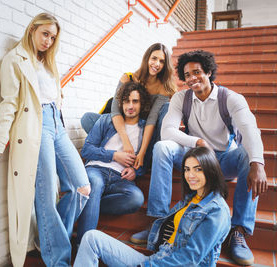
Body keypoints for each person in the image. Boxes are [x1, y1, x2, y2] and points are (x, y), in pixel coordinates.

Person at [131, 50, 268, 266]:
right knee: (163, 147)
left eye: (197, 72)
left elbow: (250, 131)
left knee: (246, 156)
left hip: (223, 159)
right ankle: (158, 220)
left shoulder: (231, 98)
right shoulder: (181, 98)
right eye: (187, 74)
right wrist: (197, 142)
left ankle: (238, 231)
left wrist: (258, 163)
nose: (192, 78)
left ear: (209, 72)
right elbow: (167, 131)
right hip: (195, 157)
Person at [0, 13, 90, 267]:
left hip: (57, 125)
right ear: (32, 29)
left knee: (82, 186)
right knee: (44, 198)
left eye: (53, 37)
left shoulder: (48, 61)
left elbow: (55, 97)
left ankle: (51, 239)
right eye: (45, 34)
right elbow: (8, 103)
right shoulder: (15, 60)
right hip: (36, 127)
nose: (48, 41)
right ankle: (58, 260)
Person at [74, 146, 231, 267]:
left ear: (210, 170)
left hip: (159, 264)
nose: (190, 175)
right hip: (156, 261)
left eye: (198, 169)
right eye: (187, 169)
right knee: (91, 238)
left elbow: (190, 258)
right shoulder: (191, 199)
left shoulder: (217, 211)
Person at [81, 43, 177, 172]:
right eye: (154, 58)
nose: (157, 64)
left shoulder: (163, 88)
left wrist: (142, 152)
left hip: (143, 131)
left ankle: (151, 155)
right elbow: (115, 110)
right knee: (88, 118)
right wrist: (125, 141)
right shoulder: (128, 77)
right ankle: (116, 150)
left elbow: (152, 120)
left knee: (166, 107)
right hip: (123, 124)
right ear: (147, 58)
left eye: (162, 61)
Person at [76, 82, 150, 244]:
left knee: (136, 198)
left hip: (120, 179)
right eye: (126, 101)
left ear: (142, 103)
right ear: (120, 103)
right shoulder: (105, 120)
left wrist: (135, 172)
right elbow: (87, 150)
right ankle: (84, 244)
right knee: (94, 184)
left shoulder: (146, 129)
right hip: (96, 169)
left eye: (135, 101)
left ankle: (89, 203)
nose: (130, 106)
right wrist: (114, 155)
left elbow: (146, 161)